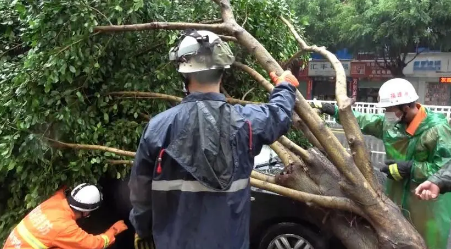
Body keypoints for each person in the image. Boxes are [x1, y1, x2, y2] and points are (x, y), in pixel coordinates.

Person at [128, 29, 298, 249]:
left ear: (184, 75)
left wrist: (142, 230)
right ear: (222, 71)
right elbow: (278, 115)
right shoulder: (246, 122)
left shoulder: (159, 128)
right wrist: (285, 86)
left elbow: (140, 193)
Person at [312, 78, 451, 249]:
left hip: (429, 206)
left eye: (388, 109)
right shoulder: (392, 125)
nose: (386, 113)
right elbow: (364, 119)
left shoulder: (437, 129)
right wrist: (334, 111)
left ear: (405, 108)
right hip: (397, 199)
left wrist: (410, 168)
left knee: (429, 243)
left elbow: (445, 167)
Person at [2, 183, 128, 249]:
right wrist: (113, 230)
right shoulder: (66, 227)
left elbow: (62, 189)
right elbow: (94, 244)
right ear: (86, 212)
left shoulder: (55, 200)